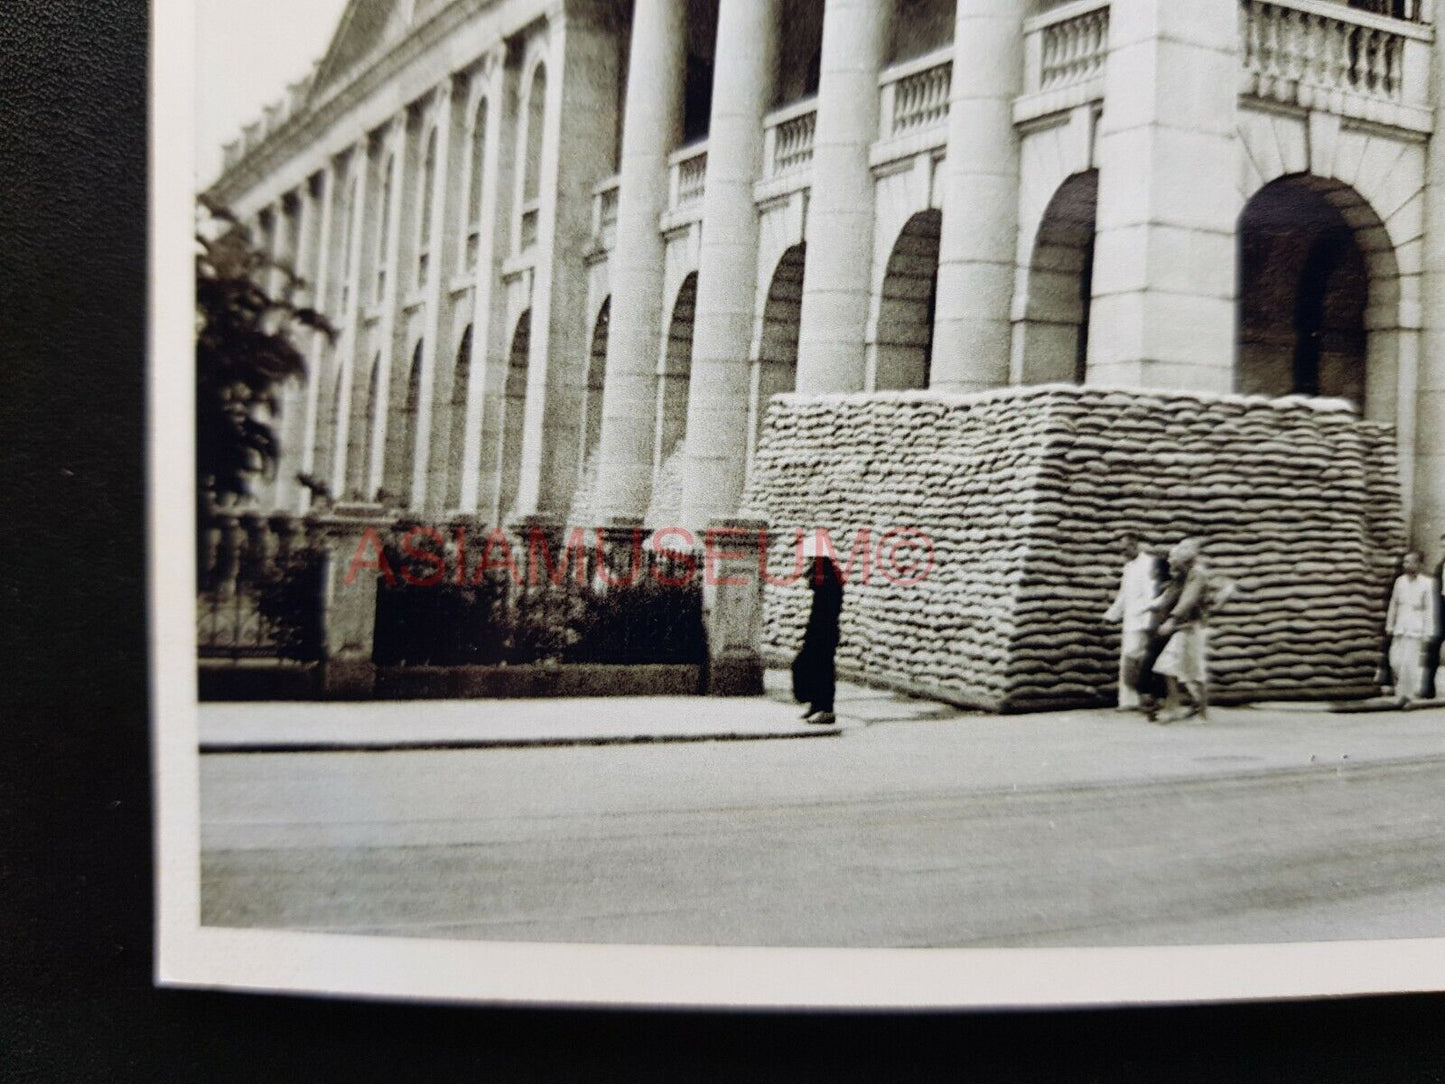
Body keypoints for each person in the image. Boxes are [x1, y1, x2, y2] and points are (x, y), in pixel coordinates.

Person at [1152, 539, 1234, 724]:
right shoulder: (1184, 575)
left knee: (1195, 671)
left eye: (1176, 556)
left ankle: (1202, 714)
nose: (1172, 560)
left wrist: (1171, 620)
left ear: (1186, 557)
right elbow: (1171, 594)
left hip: (1194, 628)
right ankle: (1173, 707)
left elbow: (1188, 600)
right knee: (1166, 665)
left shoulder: (1198, 574)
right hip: (1183, 629)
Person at [1104, 535, 1163, 711]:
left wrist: (1149, 621)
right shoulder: (1129, 567)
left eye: (1125, 548)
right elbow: (1124, 595)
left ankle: (1151, 698)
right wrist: (1111, 616)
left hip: (1144, 620)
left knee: (1143, 660)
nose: (1122, 552)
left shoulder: (1148, 564)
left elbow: (1151, 594)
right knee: (1129, 659)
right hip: (1131, 620)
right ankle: (1130, 701)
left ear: (1134, 545)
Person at [792, 543, 844, 726]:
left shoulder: (829, 578)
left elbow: (826, 607)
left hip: (825, 631)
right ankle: (816, 705)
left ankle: (826, 709)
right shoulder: (828, 574)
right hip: (818, 630)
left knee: (822, 670)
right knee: (811, 667)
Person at [1386, 551, 1437, 704]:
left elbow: (1429, 608)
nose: (1406, 565)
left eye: (1409, 562)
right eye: (1404, 562)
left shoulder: (1427, 583)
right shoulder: (1400, 582)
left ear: (1418, 564)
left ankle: (1405, 695)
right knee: (1395, 660)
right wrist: (1390, 624)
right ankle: (1402, 691)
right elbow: (1393, 604)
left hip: (1416, 625)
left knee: (1409, 663)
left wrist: (1428, 631)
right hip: (1401, 623)